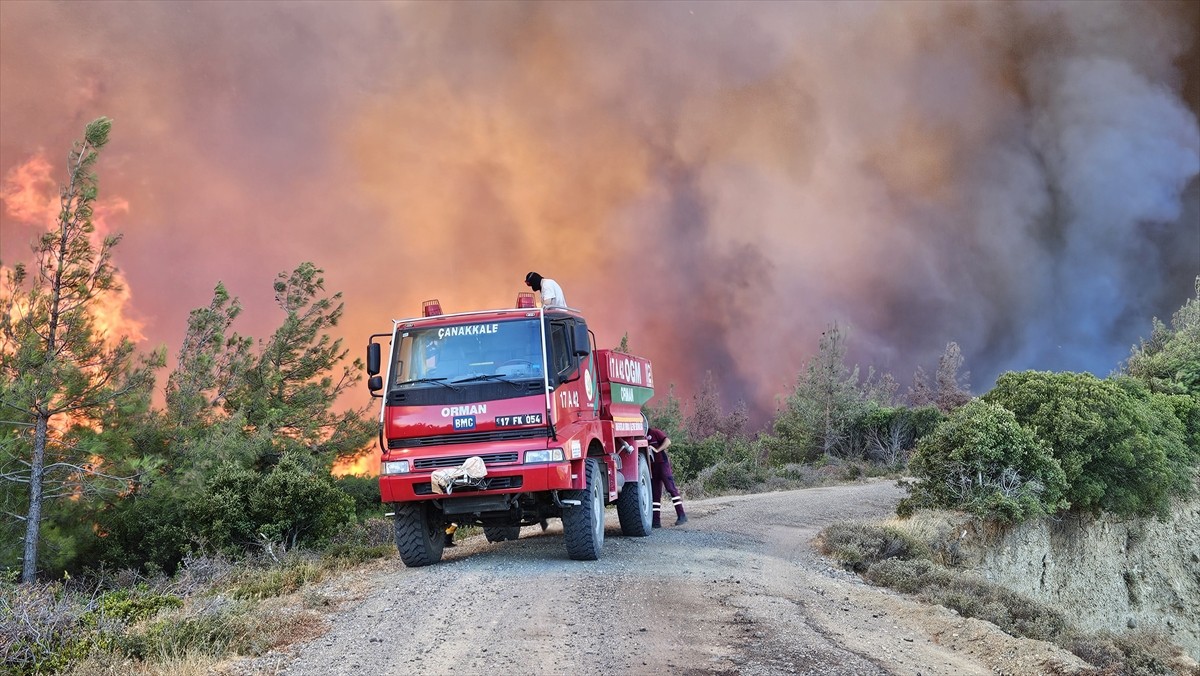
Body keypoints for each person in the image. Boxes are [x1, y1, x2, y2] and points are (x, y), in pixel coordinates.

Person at [647, 426, 688, 527]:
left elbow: (668, 441)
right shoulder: (641, 436)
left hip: (662, 464)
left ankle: (681, 515)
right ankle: (656, 521)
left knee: (671, 488)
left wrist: (657, 450)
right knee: (655, 494)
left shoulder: (655, 432)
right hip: (653, 467)